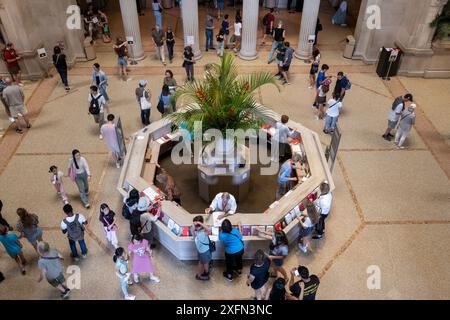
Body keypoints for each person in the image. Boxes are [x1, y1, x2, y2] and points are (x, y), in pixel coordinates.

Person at [192, 215, 212, 280]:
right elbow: (194, 236)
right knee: (203, 262)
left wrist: (199, 223)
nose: (195, 227)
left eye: (197, 226)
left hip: (203, 251)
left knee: (204, 263)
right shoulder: (199, 231)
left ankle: (206, 273)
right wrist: (198, 224)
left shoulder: (204, 232)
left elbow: (209, 229)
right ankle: (204, 273)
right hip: (202, 251)